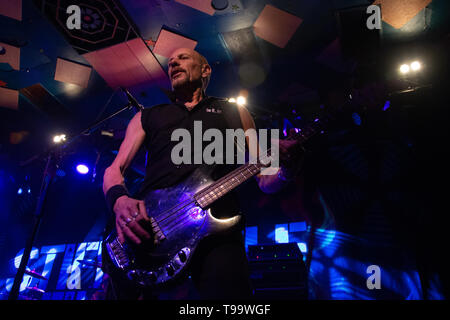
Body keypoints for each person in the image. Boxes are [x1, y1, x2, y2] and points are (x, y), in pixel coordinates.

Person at [101, 48, 303, 300]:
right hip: (154, 233)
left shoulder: (235, 112)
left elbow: (264, 177)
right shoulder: (147, 116)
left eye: (182, 58)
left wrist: (286, 170)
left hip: (218, 234)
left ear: (205, 70)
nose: (173, 62)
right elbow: (114, 170)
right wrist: (120, 200)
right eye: (170, 62)